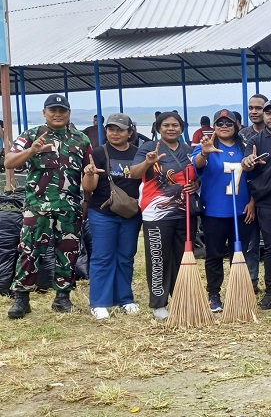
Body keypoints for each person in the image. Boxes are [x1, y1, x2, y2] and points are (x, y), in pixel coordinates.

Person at [5, 94, 92, 319]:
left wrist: (86, 199)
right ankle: (21, 299)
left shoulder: (81, 140)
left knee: (68, 253)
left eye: (62, 110)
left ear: (69, 113)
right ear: (44, 113)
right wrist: (31, 151)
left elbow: (88, 175)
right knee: (29, 251)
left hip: (69, 208)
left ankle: (62, 298)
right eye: (53, 110)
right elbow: (9, 162)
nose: (58, 114)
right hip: (37, 207)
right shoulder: (31, 135)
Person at [130, 112, 198, 320]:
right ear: (159, 128)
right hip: (156, 213)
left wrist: (196, 184)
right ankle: (158, 303)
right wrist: (147, 163)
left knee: (182, 257)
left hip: (184, 212)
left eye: (175, 125)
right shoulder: (149, 148)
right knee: (158, 258)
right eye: (166, 125)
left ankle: (181, 298)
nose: (171, 128)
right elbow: (134, 173)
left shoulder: (188, 150)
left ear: (181, 128)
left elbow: (197, 174)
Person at [192, 110, 254, 313]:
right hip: (214, 212)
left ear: (236, 126)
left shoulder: (244, 146)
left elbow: (254, 178)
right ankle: (214, 294)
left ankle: (239, 293)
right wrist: (204, 153)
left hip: (241, 211)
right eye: (220, 123)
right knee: (214, 255)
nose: (224, 126)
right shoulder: (206, 146)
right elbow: (196, 166)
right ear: (214, 127)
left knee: (240, 254)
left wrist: (252, 201)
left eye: (229, 123)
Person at [82, 113, 142, 320]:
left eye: (120, 130)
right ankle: (99, 302)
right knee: (102, 256)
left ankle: (124, 299)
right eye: (111, 129)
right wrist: (89, 174)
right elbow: (88, 188)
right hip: (103, 212)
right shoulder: (98, 153)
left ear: (130, 133)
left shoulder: (138, 153)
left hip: (131, 213)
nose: (115, 133)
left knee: (126, 256)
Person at [241, 99, 271, 309]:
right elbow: (246, 165)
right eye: (268, 113)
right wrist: (248, 163)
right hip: (267, 205)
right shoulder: (255, 141)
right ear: (264, 116)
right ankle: (270, 291)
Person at [237, 93, 268, 290]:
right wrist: (250, 199)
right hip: (246, 197)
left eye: (259, 108)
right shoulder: (240, 136)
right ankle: (251, 284)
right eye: (251, 108)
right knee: (250, 243)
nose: (254, 112)